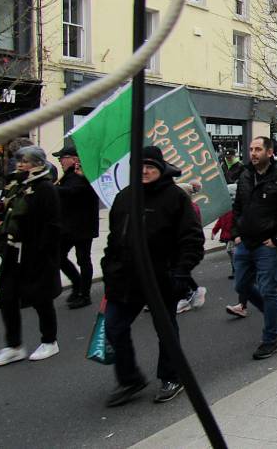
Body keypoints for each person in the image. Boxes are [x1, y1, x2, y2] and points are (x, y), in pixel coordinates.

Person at [101, 146, 204, 406]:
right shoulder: (125, 197)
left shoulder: (175, 198)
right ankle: (130, 378)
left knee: (165, 330)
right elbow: (114, 237)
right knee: (114, 328)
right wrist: (108, 267)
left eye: (150, 167)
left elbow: (191, 238)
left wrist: (181, 270)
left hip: (161, 278)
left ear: (160, 169)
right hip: (125, 278)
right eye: (140, 167)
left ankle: (172, 376)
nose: (145, 171)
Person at [0, 146, 63, 367]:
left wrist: (43, 253)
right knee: (6, 298)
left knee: (41, 299)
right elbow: (8, 212)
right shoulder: (16, 186)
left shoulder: (45, 188)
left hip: (35, 254)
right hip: (13, 252)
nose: (21, 165)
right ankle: (14, 346)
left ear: (38, 163)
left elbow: (53, 225)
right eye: (19, 161)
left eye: (26, 161)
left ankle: (49, 341)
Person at [231, 136, 277, 360]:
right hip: (246, 242)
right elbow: (238, 207)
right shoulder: (245, 175)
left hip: (268, 245)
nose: (253, 153)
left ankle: (270, 339)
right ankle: (274, 313)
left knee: (268, 288)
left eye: (258, 149)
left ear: (269, 152)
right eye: (251, 149)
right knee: (241, 284)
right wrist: (237, 233)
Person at [53, 145, 99, 309]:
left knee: (83, 259)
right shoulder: (69, 175)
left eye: (62, 158)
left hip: (82, 227)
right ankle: (77, 283)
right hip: (68, 226)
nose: (60, 161)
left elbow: (74, 191)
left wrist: (53, 190)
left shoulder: (83, 174)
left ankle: (84, 294)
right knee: (59, 256)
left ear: (73, 159)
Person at [175, 182, 207, 313]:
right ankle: (191, 292)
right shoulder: (181, 206)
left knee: (178, 271)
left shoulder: (190, 208)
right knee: (178, 271)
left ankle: (186, 296)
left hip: (185, 243)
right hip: (178, 242)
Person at [212, 184, 237, 281]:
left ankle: (237, 271)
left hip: (233, 235)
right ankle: (235, 270)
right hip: (227, 235)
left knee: (232, 252)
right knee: (231, 253)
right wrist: (215, 230)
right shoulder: (225, 208)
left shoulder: (237, 208)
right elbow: (220, 220)